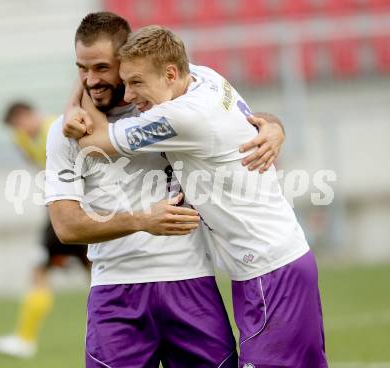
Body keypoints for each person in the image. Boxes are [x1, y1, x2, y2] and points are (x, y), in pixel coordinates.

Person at [70, 25, 328, 368]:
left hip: (269, 271)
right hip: (274, 262)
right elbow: (254, 118)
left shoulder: (181, 117)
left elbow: (93, 143)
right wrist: (275, 125)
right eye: (126, 82)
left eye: (137, 82)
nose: (129, 96)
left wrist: (78, 96)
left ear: (171, 72)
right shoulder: (205, 77)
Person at [0, 102, 90, 358]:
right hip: (60, 206)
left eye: (20, 122)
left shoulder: (57, 128)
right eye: (14, 127)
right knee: (90, 273)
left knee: (45, 270)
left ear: (30, 115)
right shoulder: (21, 138)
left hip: (75, 207)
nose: (19, 129)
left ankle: (24, 340)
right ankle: (24, 338)